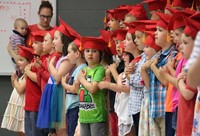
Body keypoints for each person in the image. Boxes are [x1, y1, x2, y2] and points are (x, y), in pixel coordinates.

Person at [148, 12, 177, 136]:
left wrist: (153, 66)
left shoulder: (173, 55)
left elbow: (166, 82)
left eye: (159, 30)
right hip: (155, 108)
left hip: (166, 108)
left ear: (169, 35)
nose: (155, 33)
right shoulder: (158, 55)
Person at [74, 36, 108, 136]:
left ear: (100, 54)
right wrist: (77, 83)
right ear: (83, 54)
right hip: (84, 115)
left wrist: (81, 79)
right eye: (87, 51)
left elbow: (93, 89)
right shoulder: (84, 69)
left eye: (94, 51)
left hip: (96, 116)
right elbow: (77, 90)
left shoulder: (100, 70)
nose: (90, 54)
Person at [99, 50, 134, 136]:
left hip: (129, 110)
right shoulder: (121, 75)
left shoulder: (133, 72)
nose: (123, 57)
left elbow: (126, 88)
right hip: (121, 110)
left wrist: (109, 85)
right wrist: (108, 82)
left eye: (126, 55)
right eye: (124, 55)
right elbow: (119, 88)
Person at [1, 45, 33, 136]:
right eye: (18, 60)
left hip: (23, 105)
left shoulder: (27, 75)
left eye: (21, 60)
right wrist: (13, 81)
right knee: (20, 131)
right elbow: (16, 87)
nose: (18, 62)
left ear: (29, 62)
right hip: (18, 104)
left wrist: (14, 80)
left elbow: (20, 89)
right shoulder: (23, 74)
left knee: (23, 130)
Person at [176, 18, 200, 136]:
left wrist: (179, 80)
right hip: (185, 119)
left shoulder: (194, 67)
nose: (180, 47)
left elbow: (188, 93)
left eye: (185, 43)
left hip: (190, 121)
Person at [61, 40, 87, 136]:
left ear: (77, 54)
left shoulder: (82, 68)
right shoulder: (77, 68)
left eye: (69, 52)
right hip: (72, 107)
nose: (67, 56)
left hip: (75, 106)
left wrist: (64, 84)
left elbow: (75, 89)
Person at [139, 32, 161, 136]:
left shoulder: (156, 62)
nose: (144, 50)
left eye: (147, 47)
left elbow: (149, 87)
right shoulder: (148, 62)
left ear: (155, 49)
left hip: (155, 104)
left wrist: (143, 69)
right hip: (149, 103)